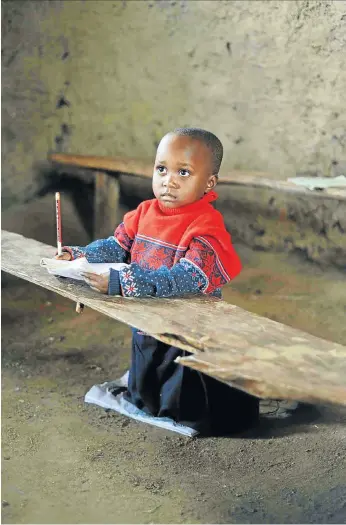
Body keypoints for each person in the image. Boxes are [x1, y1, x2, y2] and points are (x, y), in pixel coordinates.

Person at [56, 127, 259, 436]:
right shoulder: (145, 212)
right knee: (146, 373)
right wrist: (79, 255)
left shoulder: (206, 227)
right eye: (162, 169)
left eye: (184, 172)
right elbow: (116, 246)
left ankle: (183, 410)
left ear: (209, 183)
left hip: (187, 325)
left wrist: (124, 282)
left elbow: (185, 278)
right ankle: (147, 398)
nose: (169, 180)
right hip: (147, 317)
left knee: (181, 386)